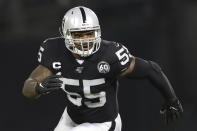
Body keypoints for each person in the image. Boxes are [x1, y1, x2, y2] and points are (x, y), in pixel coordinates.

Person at [22, 6, 183, 131]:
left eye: (89, 33)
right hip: (72, 119)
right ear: (65, 34)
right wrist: (38, 87)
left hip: (104, 123)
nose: (85, 40)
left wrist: (172, 99)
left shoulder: (110, 54)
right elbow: (29, 85)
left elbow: (151, 69)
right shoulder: (53, 50)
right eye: (79, 35)